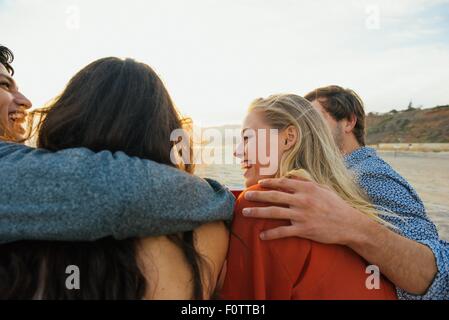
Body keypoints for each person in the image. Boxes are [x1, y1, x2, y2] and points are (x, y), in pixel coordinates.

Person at [0, 56, 230, 299]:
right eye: (4, 85)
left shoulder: (28, 227)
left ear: (68, 116)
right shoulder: (209, 228)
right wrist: (222, 197)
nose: (26, 102)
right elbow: (110, 189)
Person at [241, 85, 448, 300]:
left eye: (315, 119)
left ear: (349, 122)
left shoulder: (370, 175)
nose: (308, 128)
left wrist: (355, 226)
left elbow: (439, 275)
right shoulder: (319, 178)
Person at [219, 94, 397, 299]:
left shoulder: (267, 204)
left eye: (247, 138)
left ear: (288, 138)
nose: (237, 152)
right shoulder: (347, 204)